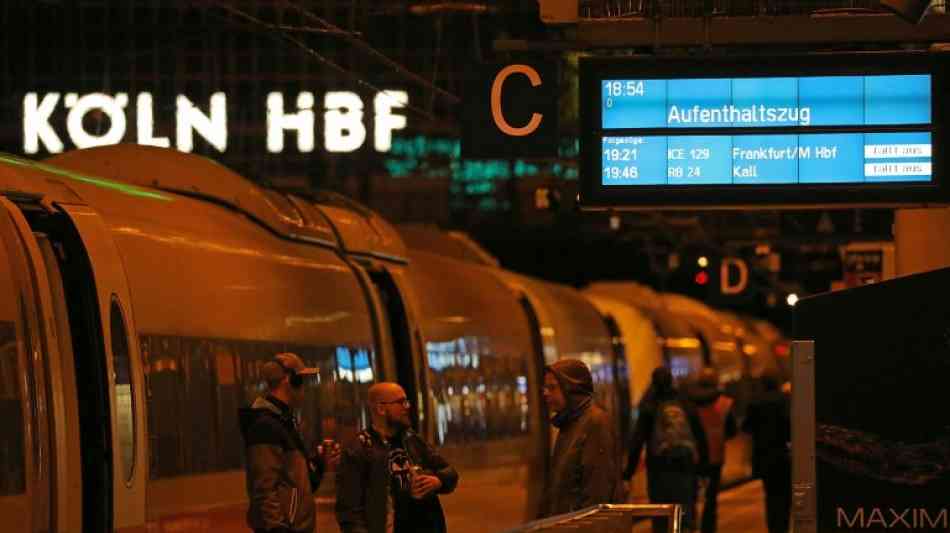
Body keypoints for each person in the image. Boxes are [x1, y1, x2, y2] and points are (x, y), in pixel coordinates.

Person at [336, 382, 458, 533]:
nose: (407, 407)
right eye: (401, 402)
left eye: (406, 401)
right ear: (381, 408)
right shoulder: (359, 449)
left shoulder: (412, 439)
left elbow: (450, 472)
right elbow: (350, 513)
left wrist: (438, 481)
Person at [239, 352, 337, 533]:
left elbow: (298, 486)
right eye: (302, 381)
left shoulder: (284, 422)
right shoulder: (266, 426)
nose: (305, 388)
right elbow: (263, 489)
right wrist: (277, 529)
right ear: (290, 381)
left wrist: (320, 463)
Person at [625, 367, 708, 533]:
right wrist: (704, 469)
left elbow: (638, 440)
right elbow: (700, 436)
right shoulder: (685, 403)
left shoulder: (649, 406)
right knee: (686, 513)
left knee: (662, 516)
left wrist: (627, 474)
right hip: (685, 468)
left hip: (659, 471)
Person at [538, 358, 622, 518]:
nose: (545, 393)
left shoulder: (596, 423)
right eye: (545, 387)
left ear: (572, 389)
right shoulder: (569, 423)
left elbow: (597, 491)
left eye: (552, 387)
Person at [688, 367, 738, 533]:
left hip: (693, 456)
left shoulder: (688, 402)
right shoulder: (724, 403)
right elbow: (732, 431)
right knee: (711, 499)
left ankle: (691, 525)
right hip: (715, 456)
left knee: (691, 496)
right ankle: (708, 529)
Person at [742, 372, 792, 533]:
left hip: (763, 456)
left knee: (770, 496)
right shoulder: (785, 400)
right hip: (783, 455)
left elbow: (746, 427)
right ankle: (783, 526)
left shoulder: (754, 402)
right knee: (785, 495)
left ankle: (774, 528)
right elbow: (789, 426)